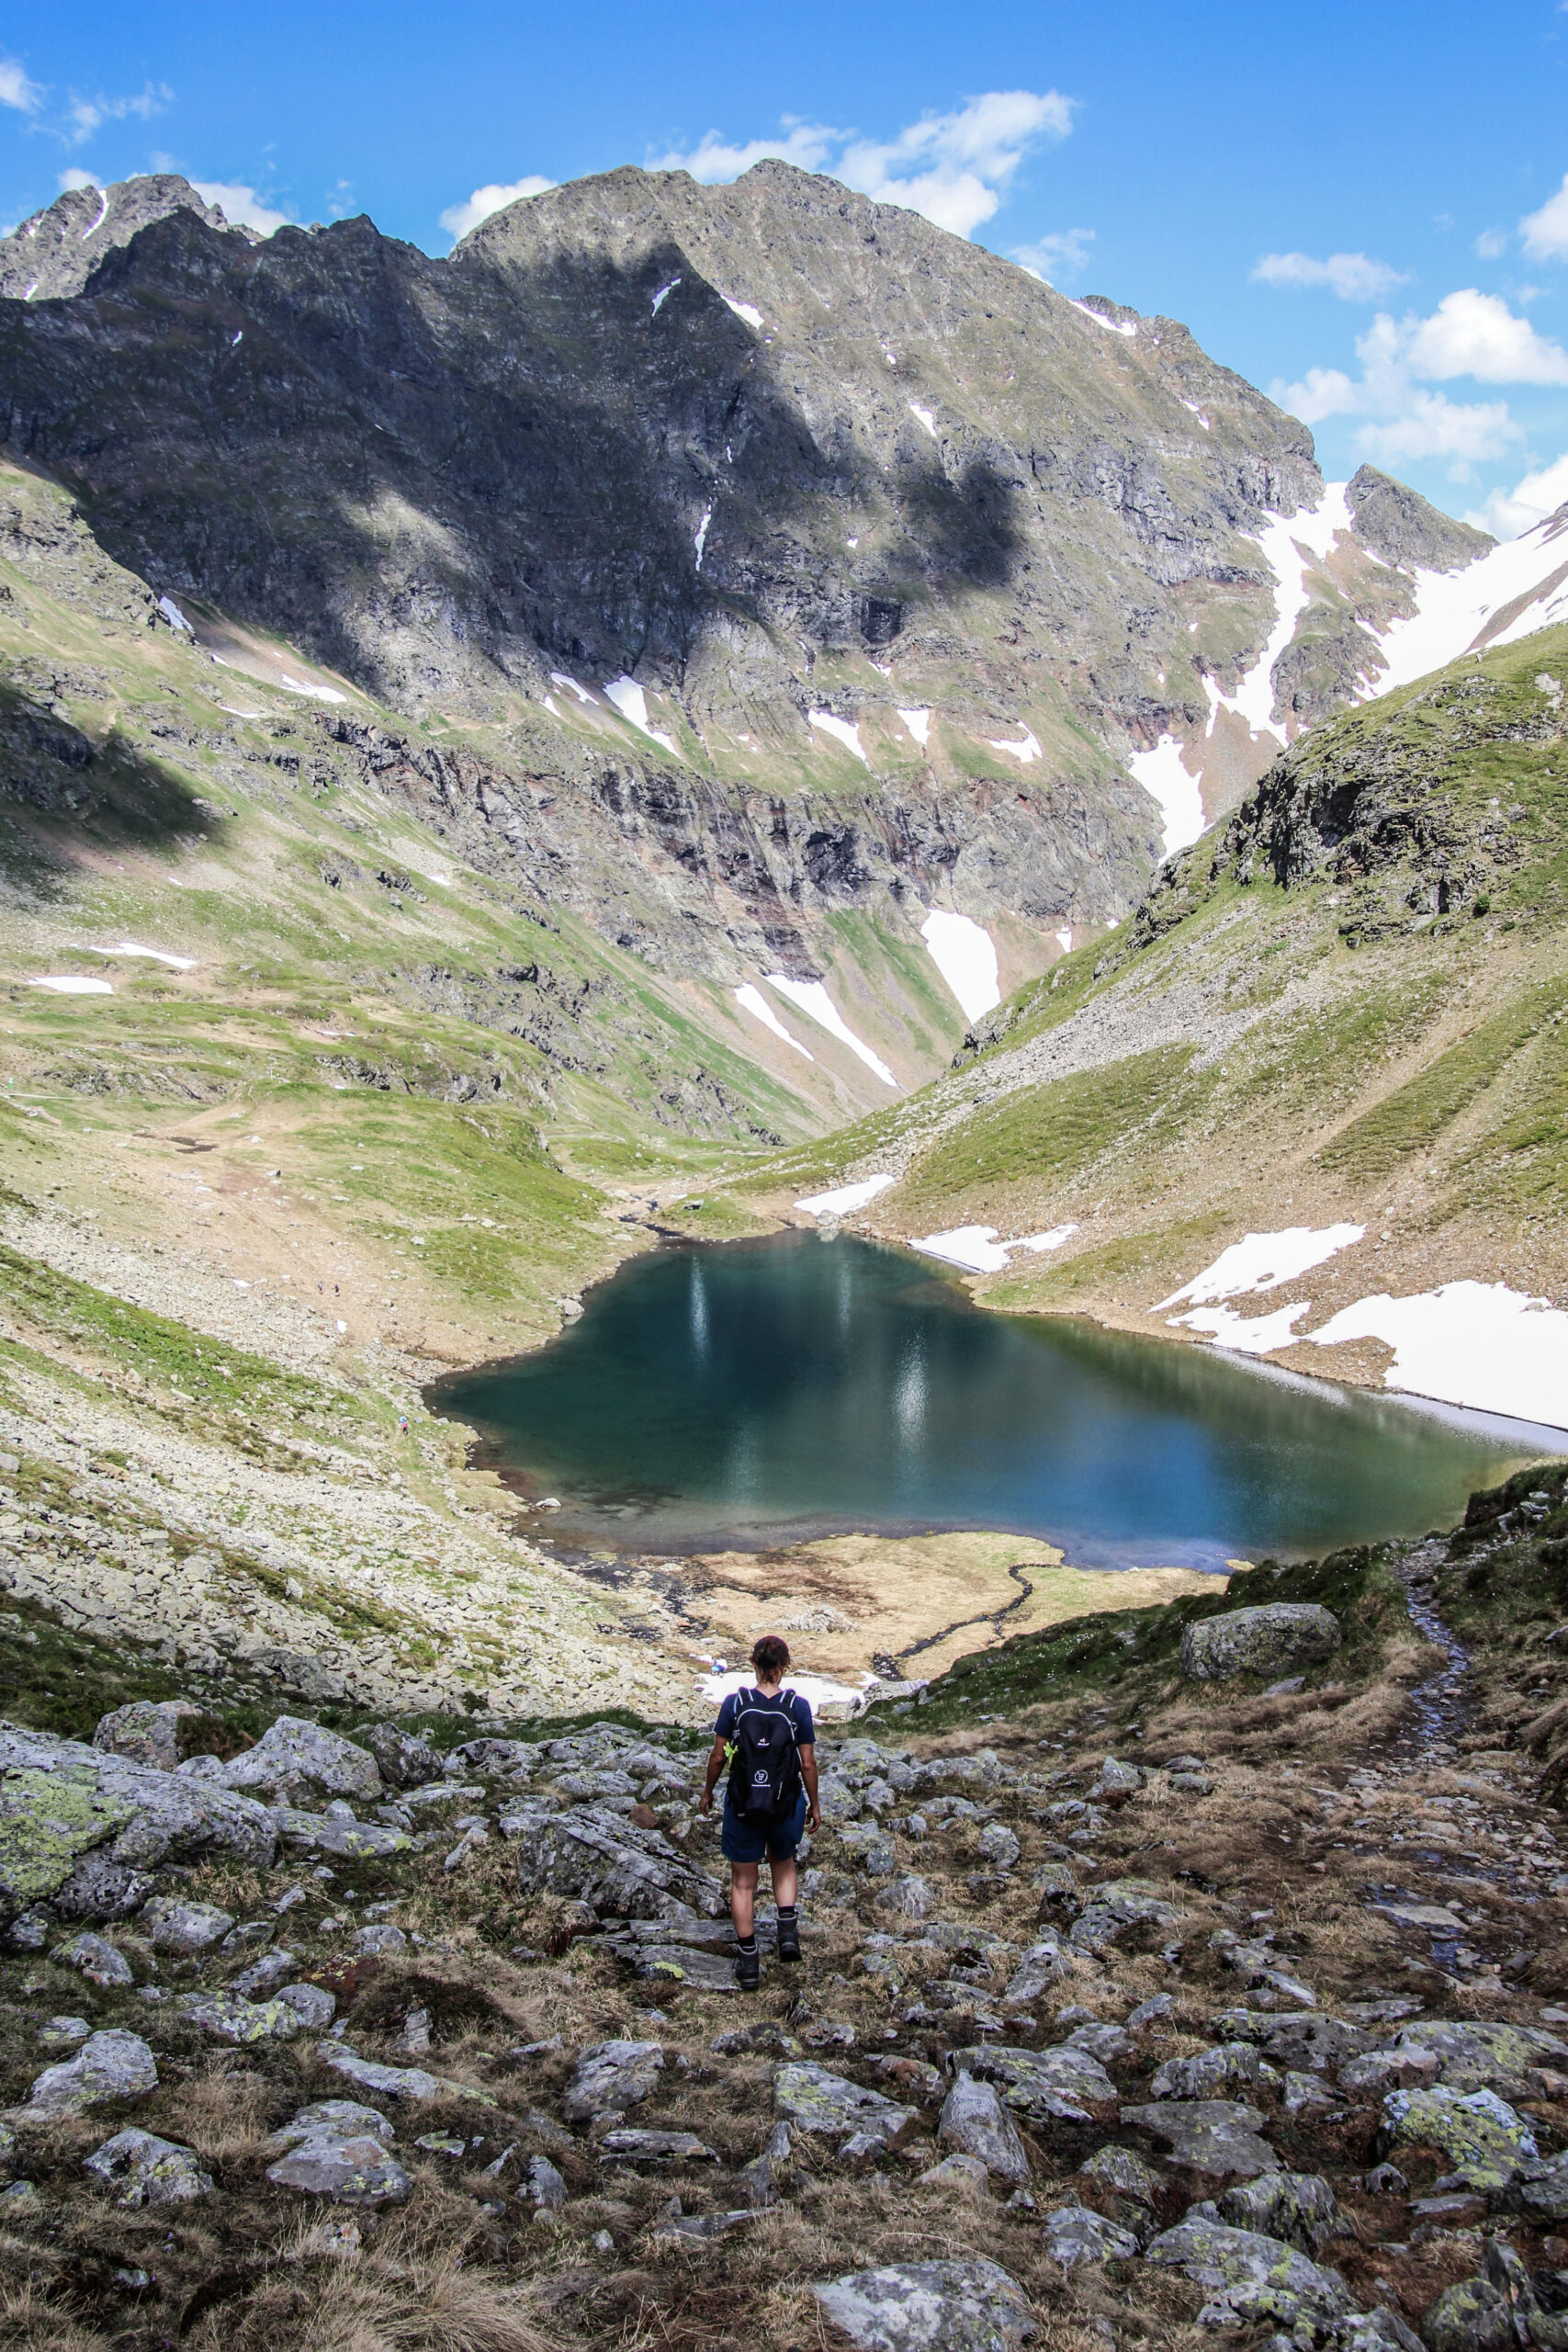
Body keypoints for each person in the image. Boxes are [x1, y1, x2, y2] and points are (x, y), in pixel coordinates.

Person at [698, 1634, 819, 1990]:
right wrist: (814, 1804)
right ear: (783, 1668)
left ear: (754, 1664)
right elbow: (807, 1763)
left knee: (743, 1882)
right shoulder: (797, 1706)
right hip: (784, 1804)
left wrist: (707, 1792)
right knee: (783, 1862)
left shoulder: (735, 1704)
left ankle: (749, 1962)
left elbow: (719, 1755)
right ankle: (787, 1936)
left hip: (743, 1805)